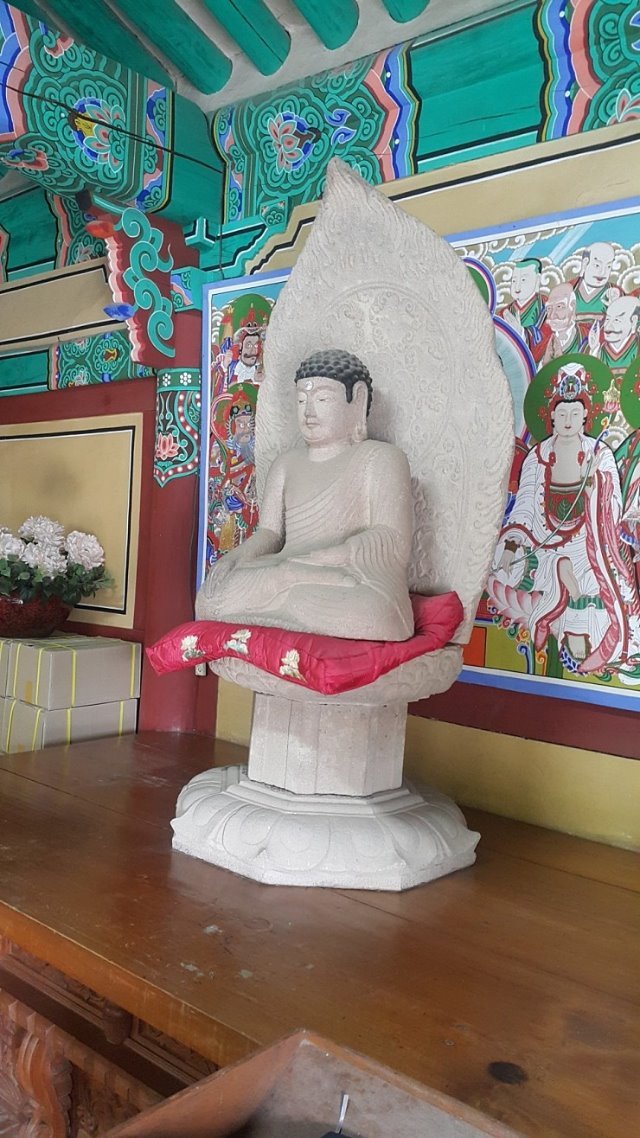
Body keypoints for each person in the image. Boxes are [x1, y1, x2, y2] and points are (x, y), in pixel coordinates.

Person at [196, 349, 415, 641]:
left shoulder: (381, 458)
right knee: (211, 596)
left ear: (358, 400)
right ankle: (290, 581)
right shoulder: (286, 464)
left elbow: (393, 538)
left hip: (343, 574)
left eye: (322, 400)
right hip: (286, 569)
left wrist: (339, 554)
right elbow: (270, 533)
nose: (309, 413)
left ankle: (289, 587)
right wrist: (233, 559)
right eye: (301, 401)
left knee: (374, 612)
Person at [487, 364, 640, 671]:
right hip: (544, 543)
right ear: (552, 417)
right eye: (562, 413)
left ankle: (569, 616)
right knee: (498, 575)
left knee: (603, 583)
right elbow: (524, 510)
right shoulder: (538, 457)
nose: (568, 420)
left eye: (575, 413)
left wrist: (595, 483)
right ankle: (556, 599)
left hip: (589, 542)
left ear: (585, 417)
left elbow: (611, 508)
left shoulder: (599, 454)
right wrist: (512, 545)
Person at [541, 283, 585, 364]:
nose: (552, 315)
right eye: (549, 308)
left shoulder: (585, 337)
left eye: (559, 307)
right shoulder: (543, 341)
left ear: (572, 306)